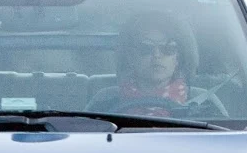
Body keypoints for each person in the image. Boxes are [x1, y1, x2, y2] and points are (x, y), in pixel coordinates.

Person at [87, 11, 224, 117]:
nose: (157, 55)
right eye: (145, 48)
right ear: (130, 57)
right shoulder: (103, 102)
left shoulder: (205, 104)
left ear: (178, 58)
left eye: (168, 48)